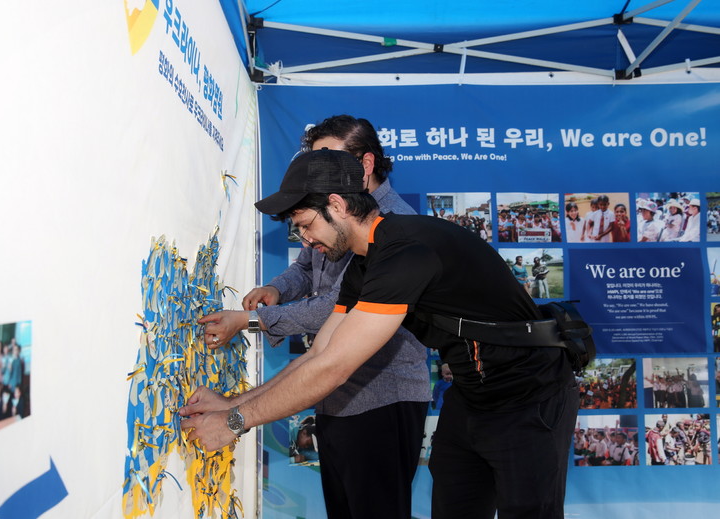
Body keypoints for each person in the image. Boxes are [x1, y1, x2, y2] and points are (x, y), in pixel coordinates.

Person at [180, 149, 579, 518]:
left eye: (306, 226)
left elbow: (334, 369)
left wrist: (234, 422)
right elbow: (320, 354)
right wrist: (231, 404)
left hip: (530, 396)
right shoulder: (364, 263)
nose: (307, 241)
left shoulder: (405, 252)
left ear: (337, 205)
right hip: (471, 398)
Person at [197, 115, 431, 519]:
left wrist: (249, 323)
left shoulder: (393, 233)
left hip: (383, 395)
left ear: (365, 165)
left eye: (329, 160)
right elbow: (312, 301)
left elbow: (331, 321)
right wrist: (277, 290)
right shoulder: (338, 225)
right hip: (334, 393)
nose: (317, 170)